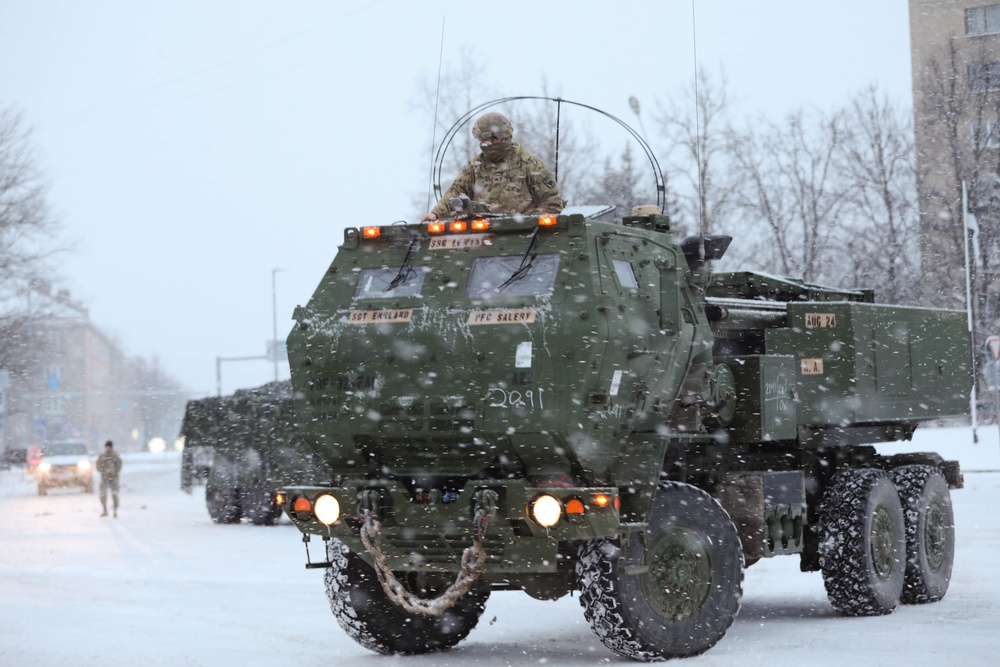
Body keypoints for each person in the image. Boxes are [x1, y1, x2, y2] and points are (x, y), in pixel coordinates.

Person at [421, 112, 563, 222]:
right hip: (483, 237)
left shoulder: (530, 164)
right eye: (480, 140)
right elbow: (455, 192)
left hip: (524, 239)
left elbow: (552, 203)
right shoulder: (475, 166)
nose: (483, 144)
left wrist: (527, 223)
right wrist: (435, 214)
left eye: (488, 140)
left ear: (503, 137)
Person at [96, 440, 122, 517]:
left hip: (113, 478)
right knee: (103, 494)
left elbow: (118, 466)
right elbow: (98, 465)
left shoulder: (115, 455)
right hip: (104, 478)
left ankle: (115, 510)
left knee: (114, 494)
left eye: (109, 447)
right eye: (106, 447)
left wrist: (112, 471)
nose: (107, 448)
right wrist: (103, 470)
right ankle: (105, 509)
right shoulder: (102, 456)